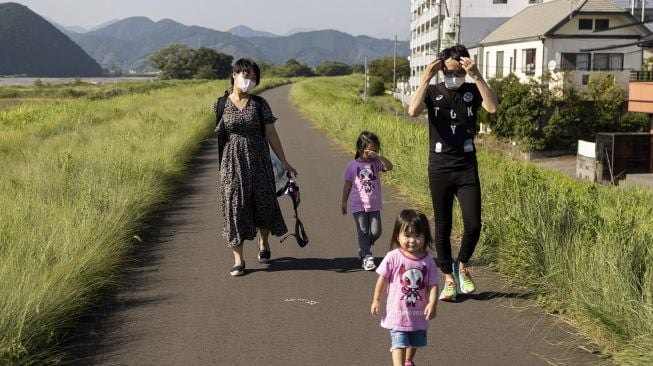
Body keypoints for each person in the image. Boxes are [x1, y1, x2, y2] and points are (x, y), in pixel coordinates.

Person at [407, 44, 498, 302]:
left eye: (458, 72)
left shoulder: (471, 89)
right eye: (448, 72)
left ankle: (462, 264)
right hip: (439, 167)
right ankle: (448, 277)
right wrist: (426, 77)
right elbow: (412, 111)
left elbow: (492, 108)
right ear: (440, 71)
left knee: (473, 224)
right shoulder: (433, 90)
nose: (453, 77)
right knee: (443, 225)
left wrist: (477, 76)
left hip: (466, 167)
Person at [215, 58, 297, 277]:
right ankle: (239, 259)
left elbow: (271, 134)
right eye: (245, 75)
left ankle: (264, 241)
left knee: (263, 203)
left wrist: (284, 161)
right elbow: (221, 138)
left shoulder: (260, 104)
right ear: (234, 74)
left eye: (253, 77)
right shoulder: (221, 104)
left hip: (260, 160)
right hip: (232, 162)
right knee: (235, 207)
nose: (249, 80)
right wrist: (221, 166)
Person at [371, 209, 438, 366]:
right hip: (397, 313)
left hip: (418, 314)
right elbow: (382, 280)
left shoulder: (427, 261)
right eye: (407, 235)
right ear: (397, 236)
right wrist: (376, 300)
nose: (412, 240)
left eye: (418, 235)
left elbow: (433, 285)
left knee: (415, 342)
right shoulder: (393, 257)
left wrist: (432, 304)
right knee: (399, 343)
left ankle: (408, 361)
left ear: (425, 237)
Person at [341, 131, 393, 271]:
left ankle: (363, 248)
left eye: (375, 150)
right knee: (362, 230)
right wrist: (343, 202)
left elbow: (389, 167)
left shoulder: (376, 163)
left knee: (376, 232)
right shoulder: (352, 165)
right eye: (370, 150)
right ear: (360, 149)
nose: (372, 153)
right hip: (358, 204)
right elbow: (347, 184)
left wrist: (379, 156)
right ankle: (367, 256)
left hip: (374, 204)